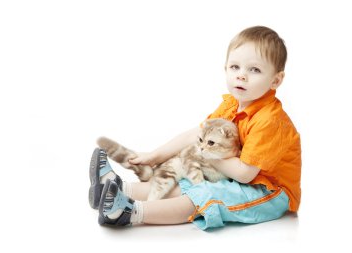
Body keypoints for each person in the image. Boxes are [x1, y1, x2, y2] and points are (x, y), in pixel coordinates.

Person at [88, 26, 301, 230]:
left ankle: (129, 212)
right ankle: (114, 188)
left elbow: (245, 174)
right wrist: (154, 156)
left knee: (206, 194)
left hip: (269, 191)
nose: (241, 75)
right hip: (236, 177)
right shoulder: (232, 105)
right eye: (235, 67)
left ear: (276, 80)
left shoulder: (270, 120)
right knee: (187, 180)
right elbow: (195, 135)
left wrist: (206, 155)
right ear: (225, 68)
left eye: (254, 69)